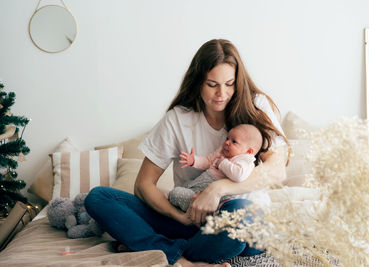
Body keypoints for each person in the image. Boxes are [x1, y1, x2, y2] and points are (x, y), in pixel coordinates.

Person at [85, 39, 288, 267]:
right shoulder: (177, 119)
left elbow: (277, 171)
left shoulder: (256, 105)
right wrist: (178, 216)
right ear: (198, 82)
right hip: (189, 220)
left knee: (240, 216)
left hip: (241, 219)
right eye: (212, 85)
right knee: (99, 198)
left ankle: (153, 246)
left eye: (229, 84)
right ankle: (183, 259)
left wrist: (217, 189)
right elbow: (143, 185)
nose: (222, 94)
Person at [169, 124, 266, 212]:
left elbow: (239, 175)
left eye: (234, 141)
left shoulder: (245, 160)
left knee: (177, 193)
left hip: (212, 194)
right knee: (185, 185)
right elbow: (208, 160)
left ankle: (187, 204)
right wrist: (194, 161)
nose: (227, 142)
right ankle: (181, 199)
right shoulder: (222, 151)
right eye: (227, 138)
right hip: (201, 183)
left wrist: (222, 163)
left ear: (249, 151)